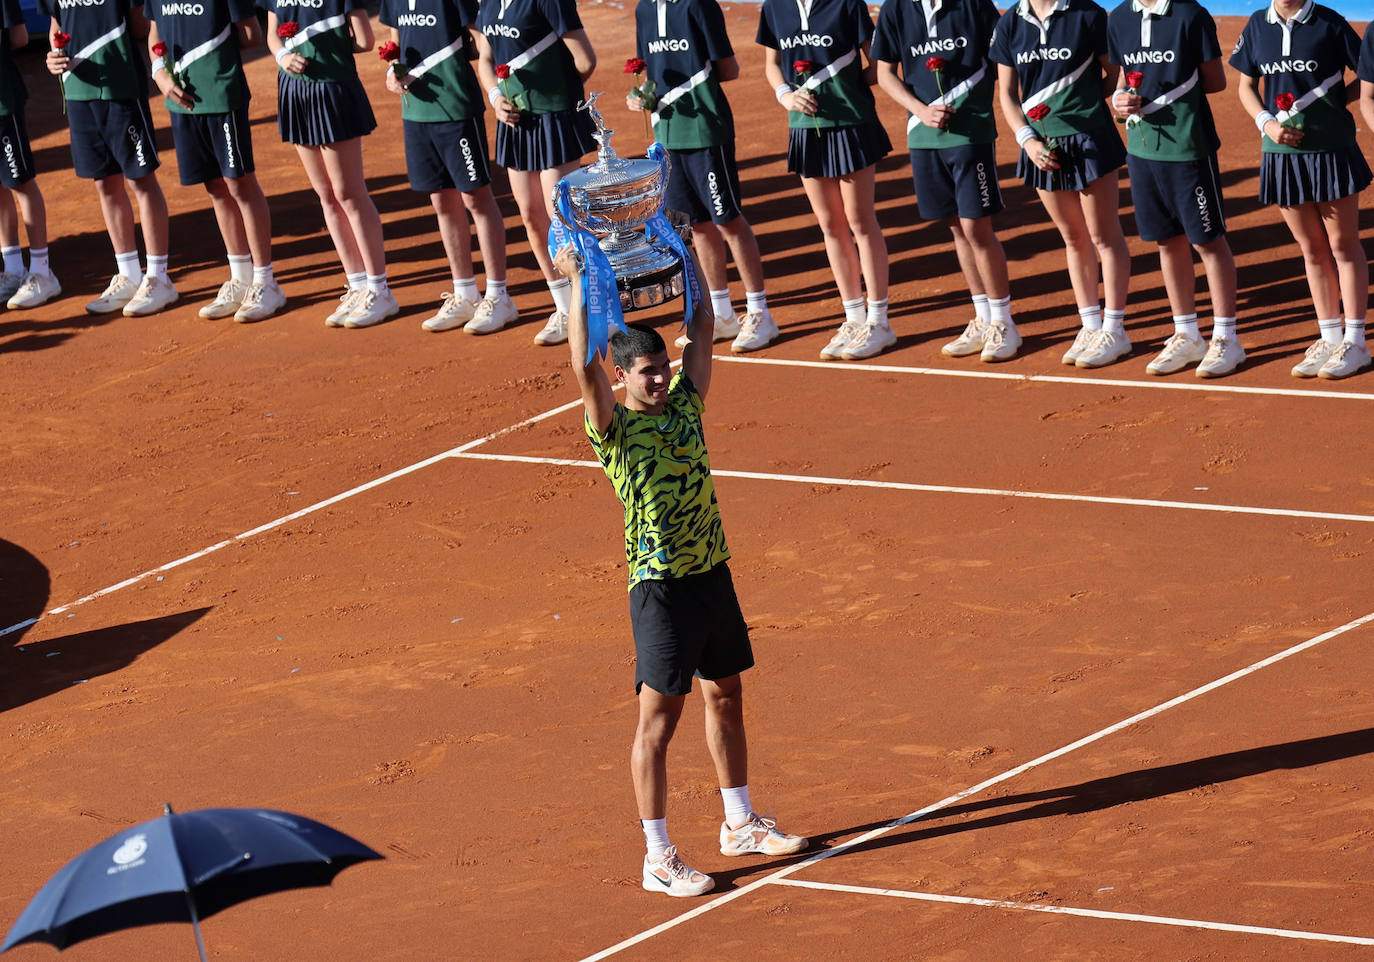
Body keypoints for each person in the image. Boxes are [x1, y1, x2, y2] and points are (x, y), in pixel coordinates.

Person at [558, 241, 807, 898]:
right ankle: (658, 856)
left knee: (726, 696)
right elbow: (581, 362)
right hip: (660, 590)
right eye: (646, 373)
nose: (660, 379)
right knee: (658, 724)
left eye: (662, 369)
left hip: (711, 574)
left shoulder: (689, 403)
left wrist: (683, 247)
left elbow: (700, 327)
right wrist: (581, 283)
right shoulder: (612, 431)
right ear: (622, 378)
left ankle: (738, 822)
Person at [872, 0, 1021, 363]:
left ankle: (1004, 323)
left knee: (976, 227)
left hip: (970, 133)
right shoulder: (896, 9)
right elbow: (884, 73)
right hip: (922, 135)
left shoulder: (972, 5)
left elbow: (1002, 57)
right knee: (957, 227)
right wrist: (921, 111)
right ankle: (983, 317)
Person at [627, 0, 778, 353]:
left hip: (706, 131)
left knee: (728, 221)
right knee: (696, 225)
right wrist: (641, 98)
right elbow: (649, 71)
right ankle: (721, 313)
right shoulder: (644, 9)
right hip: (667, 134)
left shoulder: (698, 5)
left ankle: (760, 313)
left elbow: (729, 69)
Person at [990, 0, 1134, 369]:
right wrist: (1028, 139)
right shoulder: (1011, 24)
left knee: (1104, 236)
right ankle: (1090, 325)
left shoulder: (1087, 14)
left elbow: (1114, 70)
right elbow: (1007, 92)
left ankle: (1114, 330)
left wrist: (1082, 105)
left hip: (1090, 138)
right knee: (1073, 237)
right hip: (1041, 145)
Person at [1232, 0, 1371, 380]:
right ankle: (1329, 337)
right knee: (1311, 248)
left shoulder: (1329, 22)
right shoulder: (1257, 24)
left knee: (1343, 244)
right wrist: (1266, 124)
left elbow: (1368, 71)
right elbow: (1246, 85)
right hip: (1281, 153)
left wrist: (1335, 101)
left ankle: (1355, 342)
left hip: (1331, 148)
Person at [1108, 0, 1244, 377]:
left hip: (1188, 149)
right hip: (1141, 149)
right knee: (1167, 240)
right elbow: (1122, 76)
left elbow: (1215, 81)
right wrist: (1120, 99)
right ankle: (1187, 334)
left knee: (1207, 241)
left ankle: (1226, 338)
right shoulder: (1119, 18)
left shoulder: (1189, 14)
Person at [758, 0, 894, 361]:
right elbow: (772, 65)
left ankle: (879, 321)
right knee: (830, 224)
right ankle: (853, 316)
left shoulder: (847, 4)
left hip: (852, 124)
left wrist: (847, 85)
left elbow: (877, 61)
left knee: (861, 221)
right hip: (805, 129)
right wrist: (785, 95)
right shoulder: (776, 7)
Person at [378, 0, 515, 334]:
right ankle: (465, 292)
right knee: (441, 202)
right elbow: (395, 41)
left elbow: (481, 39)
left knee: (476, 198)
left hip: (456, 106)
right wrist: (391, 72)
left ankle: (499, 296)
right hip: (416, 111)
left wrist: (495, 85)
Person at [146, 0, 286, 323]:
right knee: (215, 186)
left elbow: (250, 33)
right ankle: (240, 277)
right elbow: (154, 35)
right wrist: (160, 75)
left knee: (240, 183)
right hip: (181, 99)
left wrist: (207, 54)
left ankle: (266, 282)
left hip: (222, 92)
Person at [43, 0, 178, 317]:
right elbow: (56, 27)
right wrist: (53, 55)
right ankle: (129, 273)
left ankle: (159, 277)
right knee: (104, 182)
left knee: (140, 180)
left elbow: (143, 24)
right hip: (78, 90)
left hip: (120, 86)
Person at [266, 0, 396, 328]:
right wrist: (284, 56)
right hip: (295, 91)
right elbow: (271, 36)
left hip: (332, 90)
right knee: (326, 194)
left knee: (348, 193)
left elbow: (365, 40)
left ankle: (379, 290)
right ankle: (356, 284)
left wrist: (327, 51)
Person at [474, 0, 596, 347]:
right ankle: (563, 307)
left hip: (553, 118)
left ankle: (588, 307)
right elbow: (485, 59)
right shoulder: (489, 4)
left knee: (561, 216)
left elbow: (585, 60)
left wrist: (556, 92)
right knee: (530, 216)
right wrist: (497, 97)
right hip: (516, 122)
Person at [0, 0, 60, 310]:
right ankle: (12, 270)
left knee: (20, 181)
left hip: (2, 100)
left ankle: (41, 271)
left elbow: (20, 37)